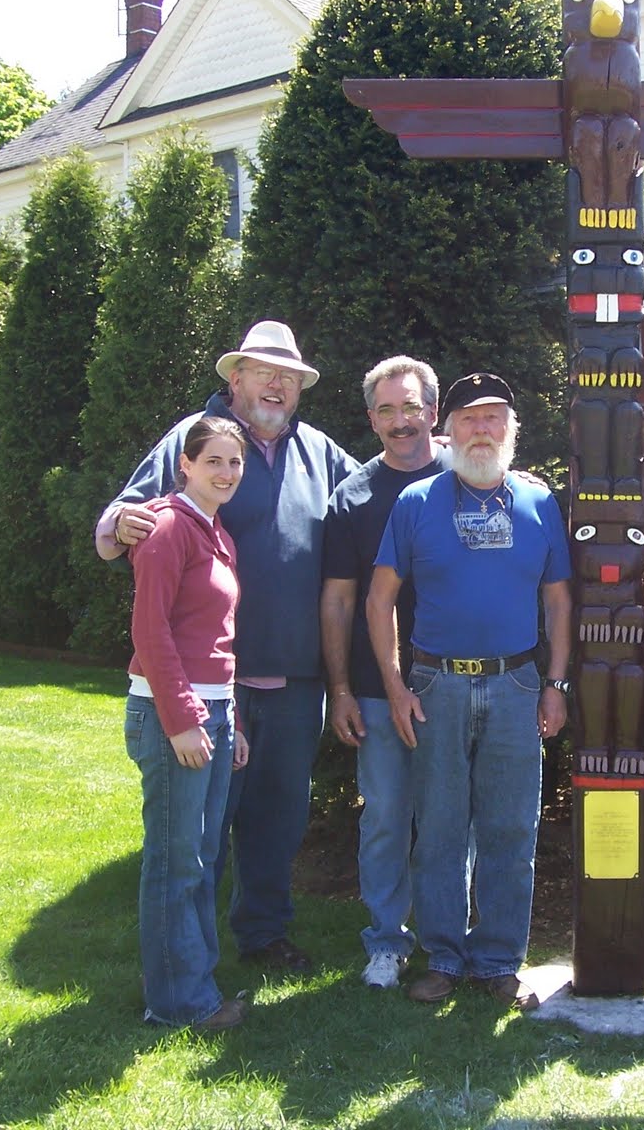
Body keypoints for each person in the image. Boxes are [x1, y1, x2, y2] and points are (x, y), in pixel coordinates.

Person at [97, 320, 355, 972]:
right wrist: (114, 525)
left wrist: (433, 456)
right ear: (233, 377)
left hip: (298, 681)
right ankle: (188, 957)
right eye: (264, 371)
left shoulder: (319, 452)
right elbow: (123, 517)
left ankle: (264, 936)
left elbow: (377, 495)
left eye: (289, 376)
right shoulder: (199, 441)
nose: (277, 384)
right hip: (215, 685)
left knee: (277, 824)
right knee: (201, 833)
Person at [366, 372, 573, 1011]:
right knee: (441, 829)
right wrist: (396, 687)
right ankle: (445, 959)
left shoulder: (539, 504)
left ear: (511, 430)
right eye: (468, 418)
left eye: (494, 418)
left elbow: (559, 602)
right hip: (436, 685)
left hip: (516, 683)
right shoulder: (416, 503)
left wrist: (555, 683)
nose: (481, 429)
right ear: (445, 430)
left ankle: (499, 960)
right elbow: (380, 601)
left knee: (512, 827)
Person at [320, 356, 445, 989]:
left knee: (452, 818)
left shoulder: (470, 478)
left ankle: (449, 938)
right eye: (388, 410)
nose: (402, 421)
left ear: (433, 409)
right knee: (387, 816)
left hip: (456, 682)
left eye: (412, 406)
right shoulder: (355, 496)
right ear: (372, 419)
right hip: (374, 688)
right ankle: (387, 942)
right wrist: (340, 687)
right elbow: (341, 599)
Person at [124, 416, 250, 1031]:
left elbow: (216, 640)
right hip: (171, 712)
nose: (226, 473)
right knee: (175, 862)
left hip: (215, 711)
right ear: (186, 466)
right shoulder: (169, 526)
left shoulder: (216, 531)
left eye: (235, 464)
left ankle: (194, 983)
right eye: (215, 462)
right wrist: (182, 721)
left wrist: (231, 722)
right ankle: (177, 1004)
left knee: (201, 855)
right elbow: (151, 631)